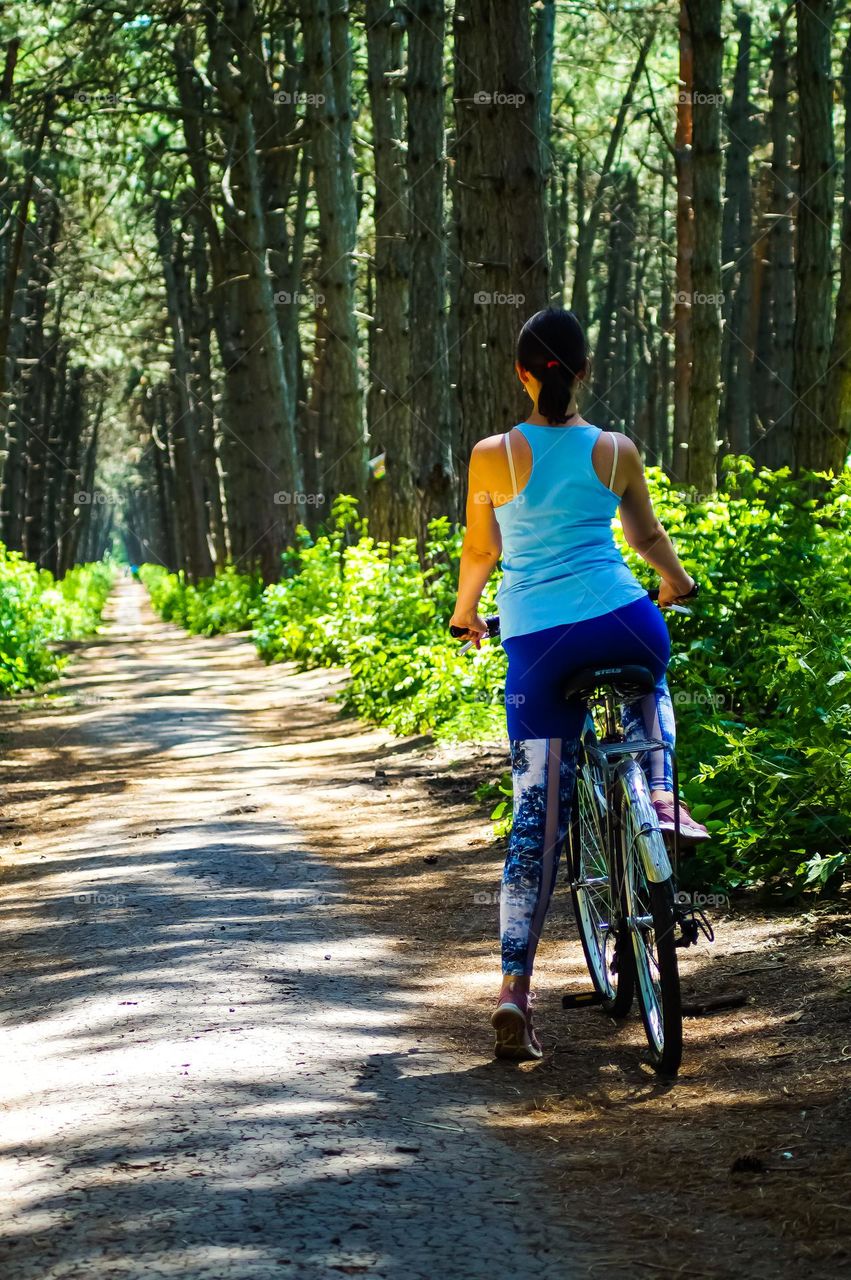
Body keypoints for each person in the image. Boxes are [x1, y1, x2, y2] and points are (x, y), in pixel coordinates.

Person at [449, 306, 709, 1063]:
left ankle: (512, 994)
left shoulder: (491, 455)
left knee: (536, 822)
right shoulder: (615, 449)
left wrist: (464, 617)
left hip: (539, 647)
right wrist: (677, 583)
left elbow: (479, 549)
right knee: (649, 683)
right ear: (583, 371)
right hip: (624, 621)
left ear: (522, 374)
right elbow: (645, 537)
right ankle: (658, 793)